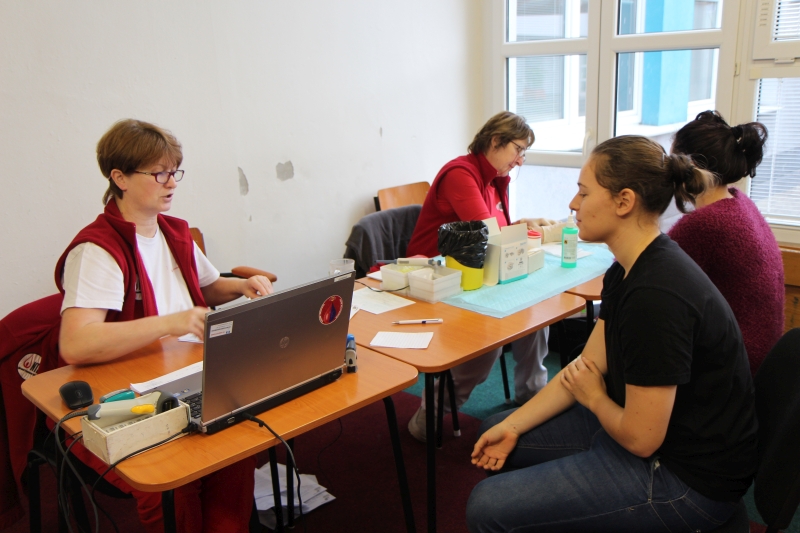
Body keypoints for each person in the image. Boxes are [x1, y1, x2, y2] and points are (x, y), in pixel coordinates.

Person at [467, 135, 757, 533]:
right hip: (644, 431)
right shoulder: (627, 268)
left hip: (687, 478)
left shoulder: (656, 297)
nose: (573, 204)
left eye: (584, 193)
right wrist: (513, 425)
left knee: (487, 508)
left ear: (624, 201)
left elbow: (641, 439)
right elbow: (586, 365)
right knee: (497, 431)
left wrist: (595, 397)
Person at [55, 119, 274, 533]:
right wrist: (172, 322)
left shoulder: (173, 231)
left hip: (185, 373)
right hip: (129, 393)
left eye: (174, 171)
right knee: (173, 480)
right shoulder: (98, 249)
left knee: (238, 445)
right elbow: (77, 343)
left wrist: (241, 286)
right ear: (119, 178)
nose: (171, 182)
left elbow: (207, 287)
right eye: (158, 173)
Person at [404, 111, 562, 442]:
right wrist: (529, 231)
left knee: (535, 314)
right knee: (488, 345)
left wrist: (524, 224)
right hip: (439, 277)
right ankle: (430, 414)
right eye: (518, 150)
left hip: (476, 273)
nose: (520, 161)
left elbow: (498, 232)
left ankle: (532, 397)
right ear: (495, 141)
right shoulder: (461, 174)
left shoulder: (493, 180)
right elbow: (491, 235)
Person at [668, 110, 783, 375]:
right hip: (756, 358)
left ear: (689, 166)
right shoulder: (738, 202)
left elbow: (642, 271)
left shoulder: (706, 223)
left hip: (732, 368)